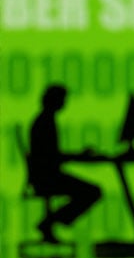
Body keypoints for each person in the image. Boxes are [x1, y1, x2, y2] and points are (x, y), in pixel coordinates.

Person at [29, 85, 101, 243]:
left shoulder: (45, 120)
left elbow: (53, 154)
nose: (64, 103)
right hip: (46, 178)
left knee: (92, 191)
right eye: (62, 99)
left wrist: (77, 156)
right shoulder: (45, 122)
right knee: (93, 192)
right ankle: (49, 222)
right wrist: (79, 156)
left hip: (46, 175)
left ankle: (50, 222)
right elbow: (52, 156)